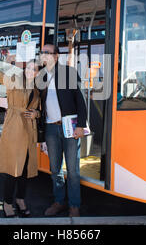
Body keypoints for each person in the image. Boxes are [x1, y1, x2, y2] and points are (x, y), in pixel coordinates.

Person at [0, 49, 41, 218]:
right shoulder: (15, 80)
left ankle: (20, 199)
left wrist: (36, 114)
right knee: (12, 168)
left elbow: (39, 109)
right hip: (15, 127)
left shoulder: (36, 89)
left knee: (25, 169)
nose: (31, 71)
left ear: (38, 73)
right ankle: (7, 202)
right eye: (29, 68)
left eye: (35, 69)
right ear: (25, 69)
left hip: (29, 131)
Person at [38, 44, 88, 218]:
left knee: (73, 170)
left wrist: (81, 125)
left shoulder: (69, 73)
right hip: (51, 128)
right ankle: (59, 202)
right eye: (42, 53)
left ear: (56, 56)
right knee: (55, 169)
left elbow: (81, 100)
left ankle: (74, 206)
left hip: (70, 128)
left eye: (47, 53)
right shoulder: (41, 76)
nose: (44, 55)